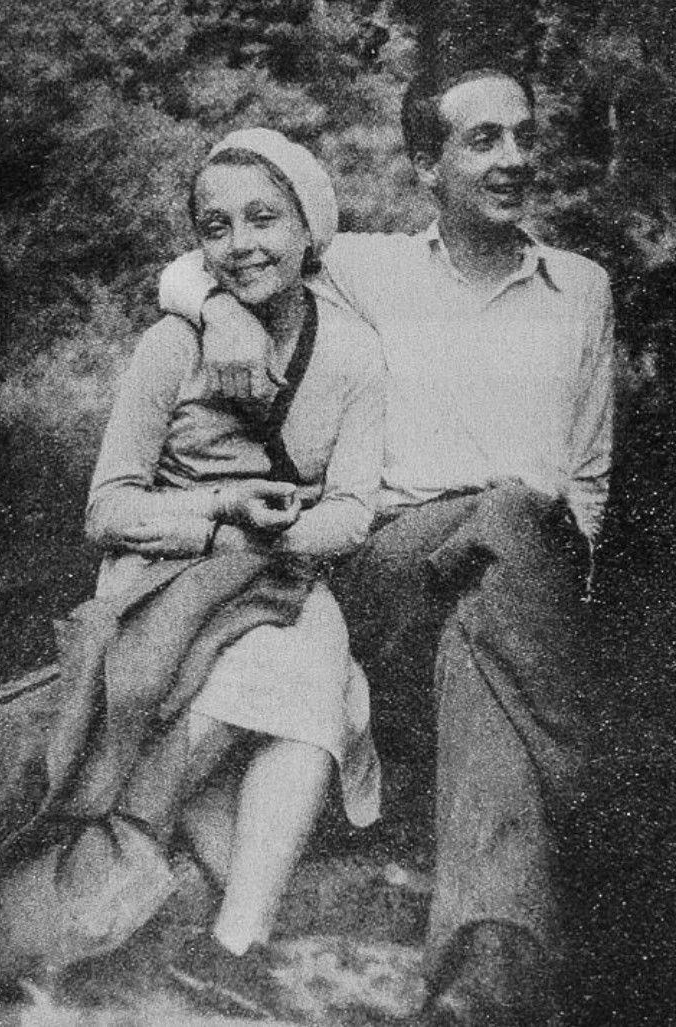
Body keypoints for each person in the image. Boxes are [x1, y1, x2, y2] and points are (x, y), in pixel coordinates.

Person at [158, 67, 616, 1026]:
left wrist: (545, 565)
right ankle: (566, 772)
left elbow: (590, 478)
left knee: (516, 547)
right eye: (483, 139)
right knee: (504, 517)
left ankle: (485, 976)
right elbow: (212, 259)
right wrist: (221, 311)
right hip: (391, 572)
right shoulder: (369, 265)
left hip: (515, 577)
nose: (515, 158)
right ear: (425, 167)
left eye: (524, 136)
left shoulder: (582, 288)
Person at [0, 128, 383, 1018]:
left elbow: (354, 504)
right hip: (163, 575)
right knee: (312, 681)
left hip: (279, 568)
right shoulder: (170, 344)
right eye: (215, 225)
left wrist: (281, 535)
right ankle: (229, 924)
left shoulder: (352, 352)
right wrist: (215, 517)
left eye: (264, 218)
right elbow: (106, 508)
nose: (241, 244)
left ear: (311, 228)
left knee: (311, 649)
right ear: (198, 241)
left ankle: (228, 935)